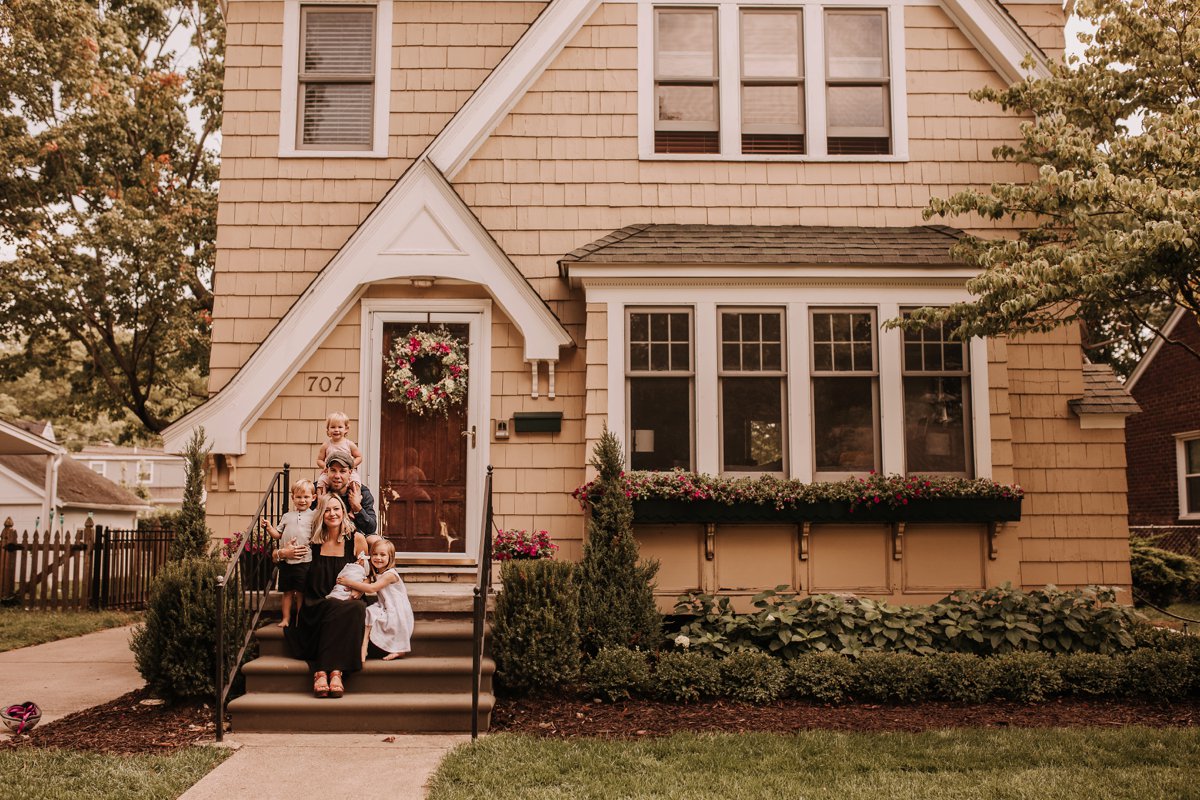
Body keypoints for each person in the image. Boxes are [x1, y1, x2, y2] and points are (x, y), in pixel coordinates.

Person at [278, 492, 368, 699]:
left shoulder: (356, 539)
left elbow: (368, 572)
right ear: (321, 514)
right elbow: (277, 556)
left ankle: (327, 671)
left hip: (345, 600)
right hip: (315, 603)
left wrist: (360, 587)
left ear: (343, 512)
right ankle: (332, 671)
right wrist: (283, 553)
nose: (332, 513)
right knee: (335, 609)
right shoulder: (312, 541)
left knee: (358, 607)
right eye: (327, 509)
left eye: (336, 509)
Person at [337, 537, 414, 662]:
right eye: (375, 554)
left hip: (397, 609)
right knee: (368, 612)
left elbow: (372, 588)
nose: (378, 558)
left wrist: (349, 582)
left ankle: (399, 649)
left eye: (383, 555)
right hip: (385, 605)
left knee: (371, 614)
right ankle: (363, 648)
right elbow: (367, 578)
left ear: (390, 558)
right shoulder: (378, 572)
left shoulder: (390, 574)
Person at [260, 479, 317, 628]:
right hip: (286, 562)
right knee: (287, 592)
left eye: (306, 497)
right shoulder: (287, 516)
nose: (302, 500)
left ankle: (299, 619)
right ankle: (285, 619)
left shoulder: (314, 516)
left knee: (300, 593)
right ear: (293, 498)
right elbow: (277, 534)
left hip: (304, 560)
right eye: (298, 497)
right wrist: (269, 527)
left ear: (313, 498)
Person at [321, 452, 377, 536]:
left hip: (355, 537)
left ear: (350, 473)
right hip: (325, 537)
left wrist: (357, 507)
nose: (337, 476)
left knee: (377, 541)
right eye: (333, 470)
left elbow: (371, 529)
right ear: (327, 471)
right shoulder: (318, 491)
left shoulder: (362, 493)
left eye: (342, 471)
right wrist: (320, 506)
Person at [315, 412, 363, 498]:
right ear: (328, 430)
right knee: (320, 482)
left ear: (346, 429)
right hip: (330, 472)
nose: (336, 430)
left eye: (340, 427)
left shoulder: (349, 444)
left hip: (347, 472)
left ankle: (355, 501)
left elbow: (359, 457)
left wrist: (351, 465)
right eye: (333, 427)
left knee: (355, 482)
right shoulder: (326, 445)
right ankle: (321, 501)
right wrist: (325, 466)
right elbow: (319, 460)